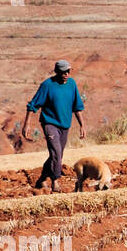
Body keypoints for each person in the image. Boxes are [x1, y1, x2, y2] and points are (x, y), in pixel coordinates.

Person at [22, 60, 86, 192]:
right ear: (57, 72)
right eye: (63, 72)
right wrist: (26, 124)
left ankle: (42, 179)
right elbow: (32, 105)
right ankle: (55, 180)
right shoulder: (47, 85)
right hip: (49, 123)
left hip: (64, 124)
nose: (66, 74)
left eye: (68, 71)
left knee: (56, 155)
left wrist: (82, 125)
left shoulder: (72, 84)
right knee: (56, 152)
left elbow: (77, 107)